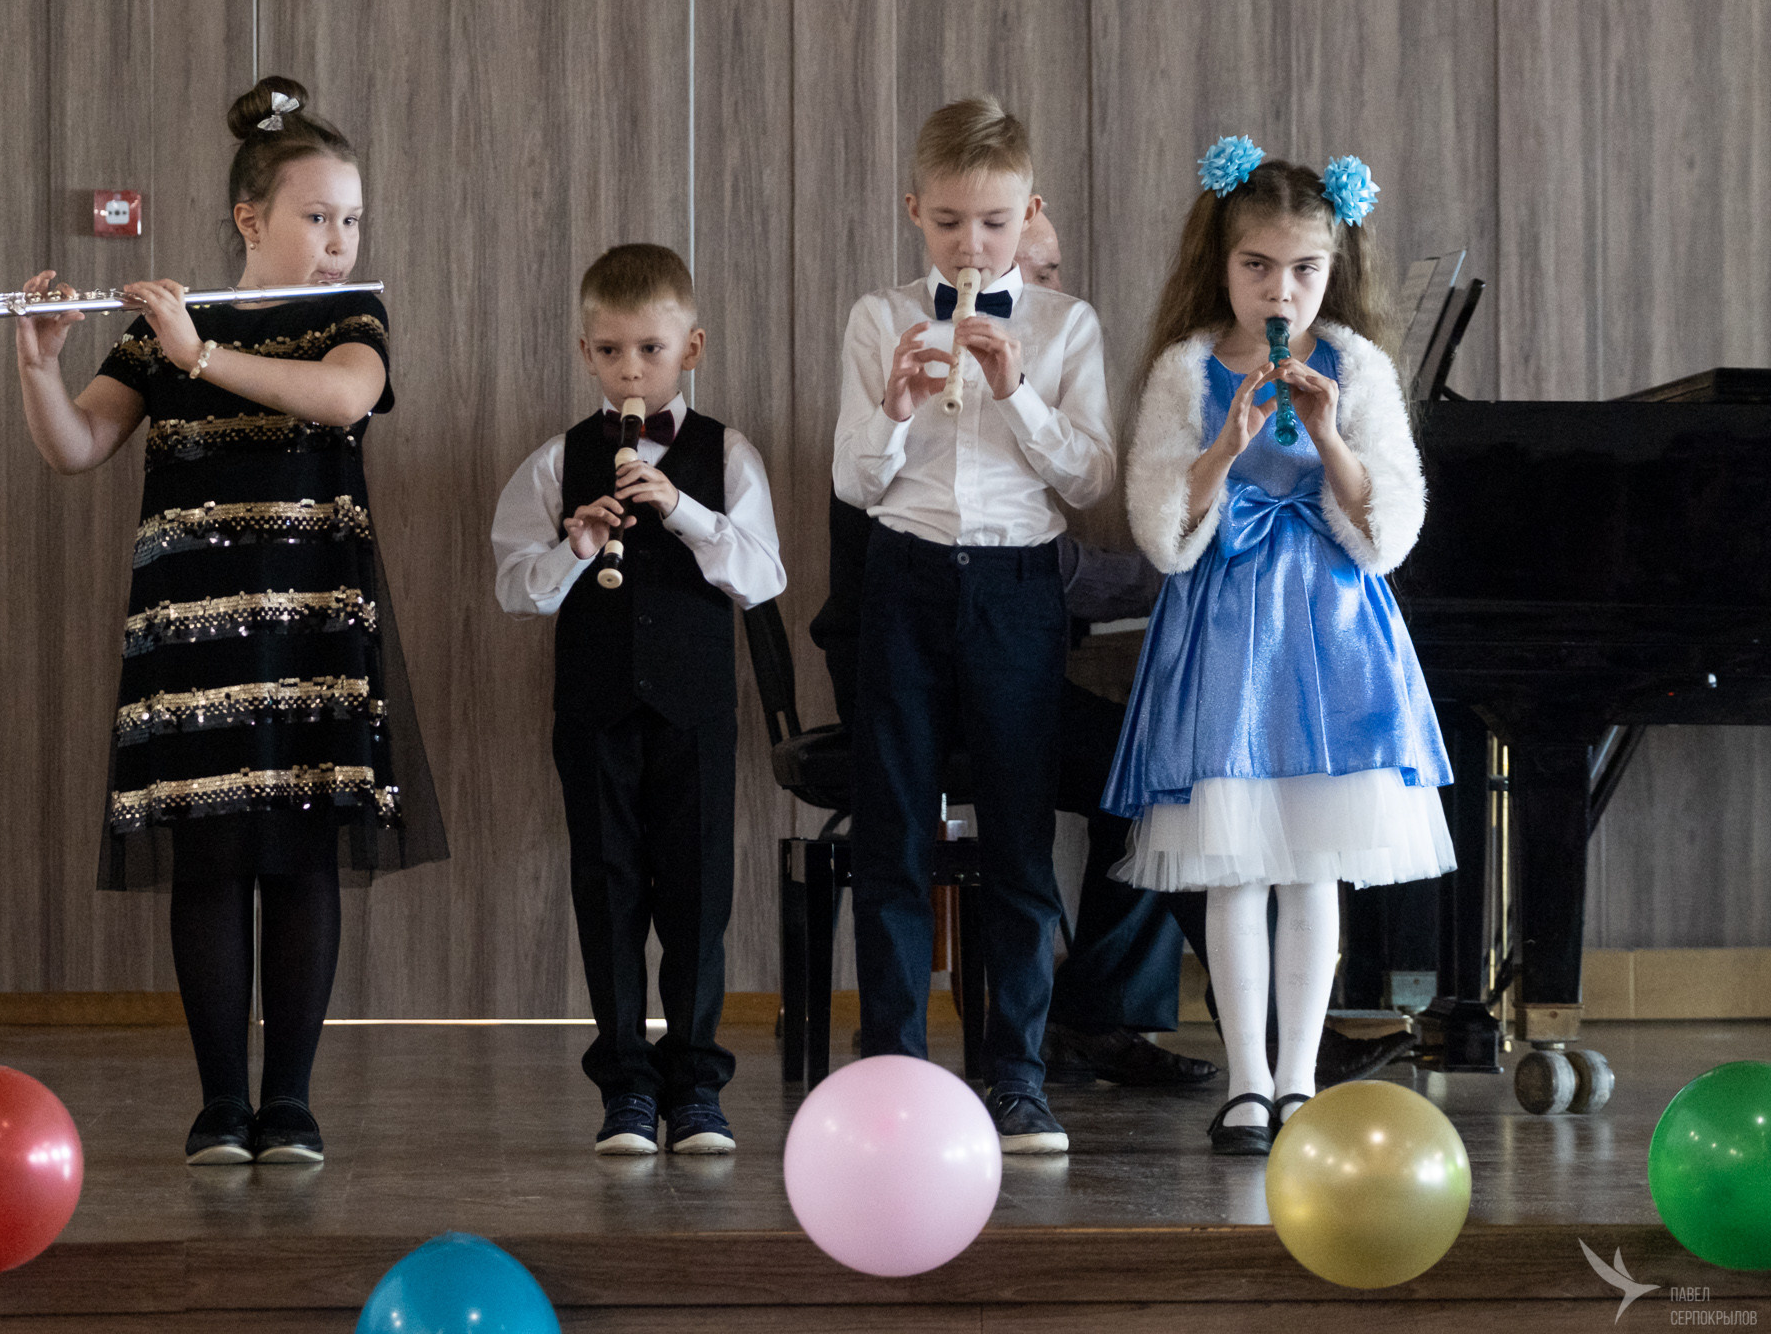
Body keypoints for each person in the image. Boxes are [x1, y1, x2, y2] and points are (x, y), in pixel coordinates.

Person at [14, 76, 446, 1166]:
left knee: (299, 860)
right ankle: (219, 1105)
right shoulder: (161, 332)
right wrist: (39, 365)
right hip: (192, 637)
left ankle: (289, 1102)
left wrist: (200, 354)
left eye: (352, 219)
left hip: (309, 632)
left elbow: (344, 397)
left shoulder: (348, 319)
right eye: (318, 216)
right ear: (250, 220)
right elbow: (76, 447)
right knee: (208, 862)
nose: (340, 241)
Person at [1102, 137, 1455, 1155]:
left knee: (1310, 869)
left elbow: (1389, 532)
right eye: (1257, 265)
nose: (1281, 289)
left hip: (1333, 638)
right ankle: (1247, 1084)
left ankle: (1299, 1080)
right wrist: (1226, 443)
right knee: (1236, 867)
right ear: (1220, 263)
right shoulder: (1184, 368)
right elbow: (1161, 532)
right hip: (1224, 637)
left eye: (1304, 269)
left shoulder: (1357, 364)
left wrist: (1328, 434)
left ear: (1332, 268)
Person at [833, 96, 1112, 1154]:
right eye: (948, 221)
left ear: (1027, 213)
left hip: (1016, 589)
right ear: (914, 211)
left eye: (993, 222)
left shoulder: (1067, 326)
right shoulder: (878, 317)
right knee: (895, 837)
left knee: (1021, 842)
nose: (971, 244)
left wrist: (1020, 391)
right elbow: (854, 482)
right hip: (905, 580)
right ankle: (896, 1078)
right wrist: (897, 407)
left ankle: (1018, 1079)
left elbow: (1088, 479)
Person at [491, 244, 784, 1157]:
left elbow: (763, 577)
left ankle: (695, 1087)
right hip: (596, 712)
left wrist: (683, 510)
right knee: (607, 892)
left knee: (698, 900)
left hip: (695, 714)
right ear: (586, 353)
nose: (631, 371)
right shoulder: (558, 461)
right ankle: (624, 1086)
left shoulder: (727, 453)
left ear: (690, 349)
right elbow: (515, 589)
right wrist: (576, 547)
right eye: (612, 351)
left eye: (651, 350)